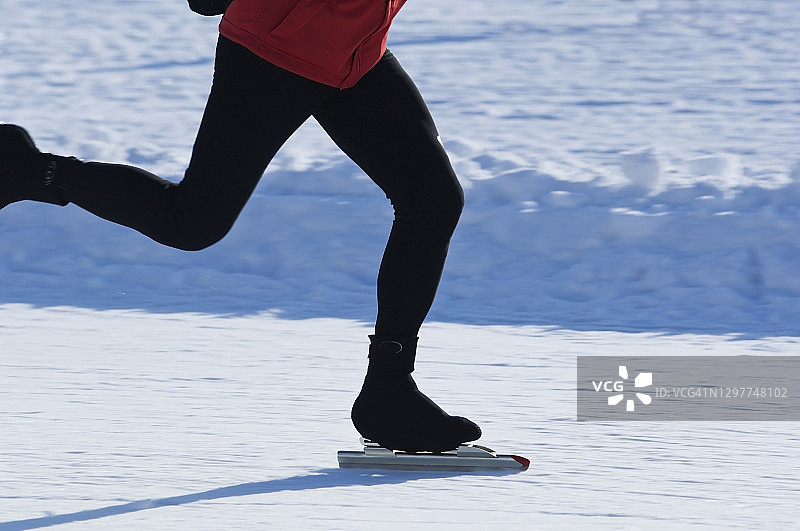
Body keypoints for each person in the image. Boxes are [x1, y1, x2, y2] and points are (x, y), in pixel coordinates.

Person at [0, 0, 481, 452]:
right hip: (278, 46)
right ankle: (26, 169)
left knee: (432, 201)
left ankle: (389, 392)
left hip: (354, 47)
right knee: (191, 222)